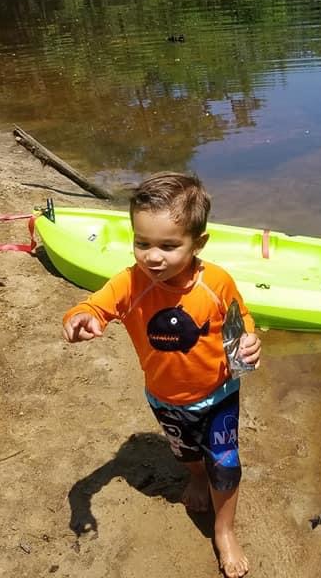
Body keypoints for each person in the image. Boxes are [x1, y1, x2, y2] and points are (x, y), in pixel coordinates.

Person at [62, 173, 261, 578]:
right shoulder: (130, 284)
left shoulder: (216, 283)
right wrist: (80, 318)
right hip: (165, 398)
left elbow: (242, 322)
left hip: (219, 393)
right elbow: (92, 307)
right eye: (143, 243)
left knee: (226, 462)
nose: (154, 257)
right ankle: (196, 476)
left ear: (198, 243)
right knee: (186, 454)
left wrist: (250, 343)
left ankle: (224, 532)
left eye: (169, 246)